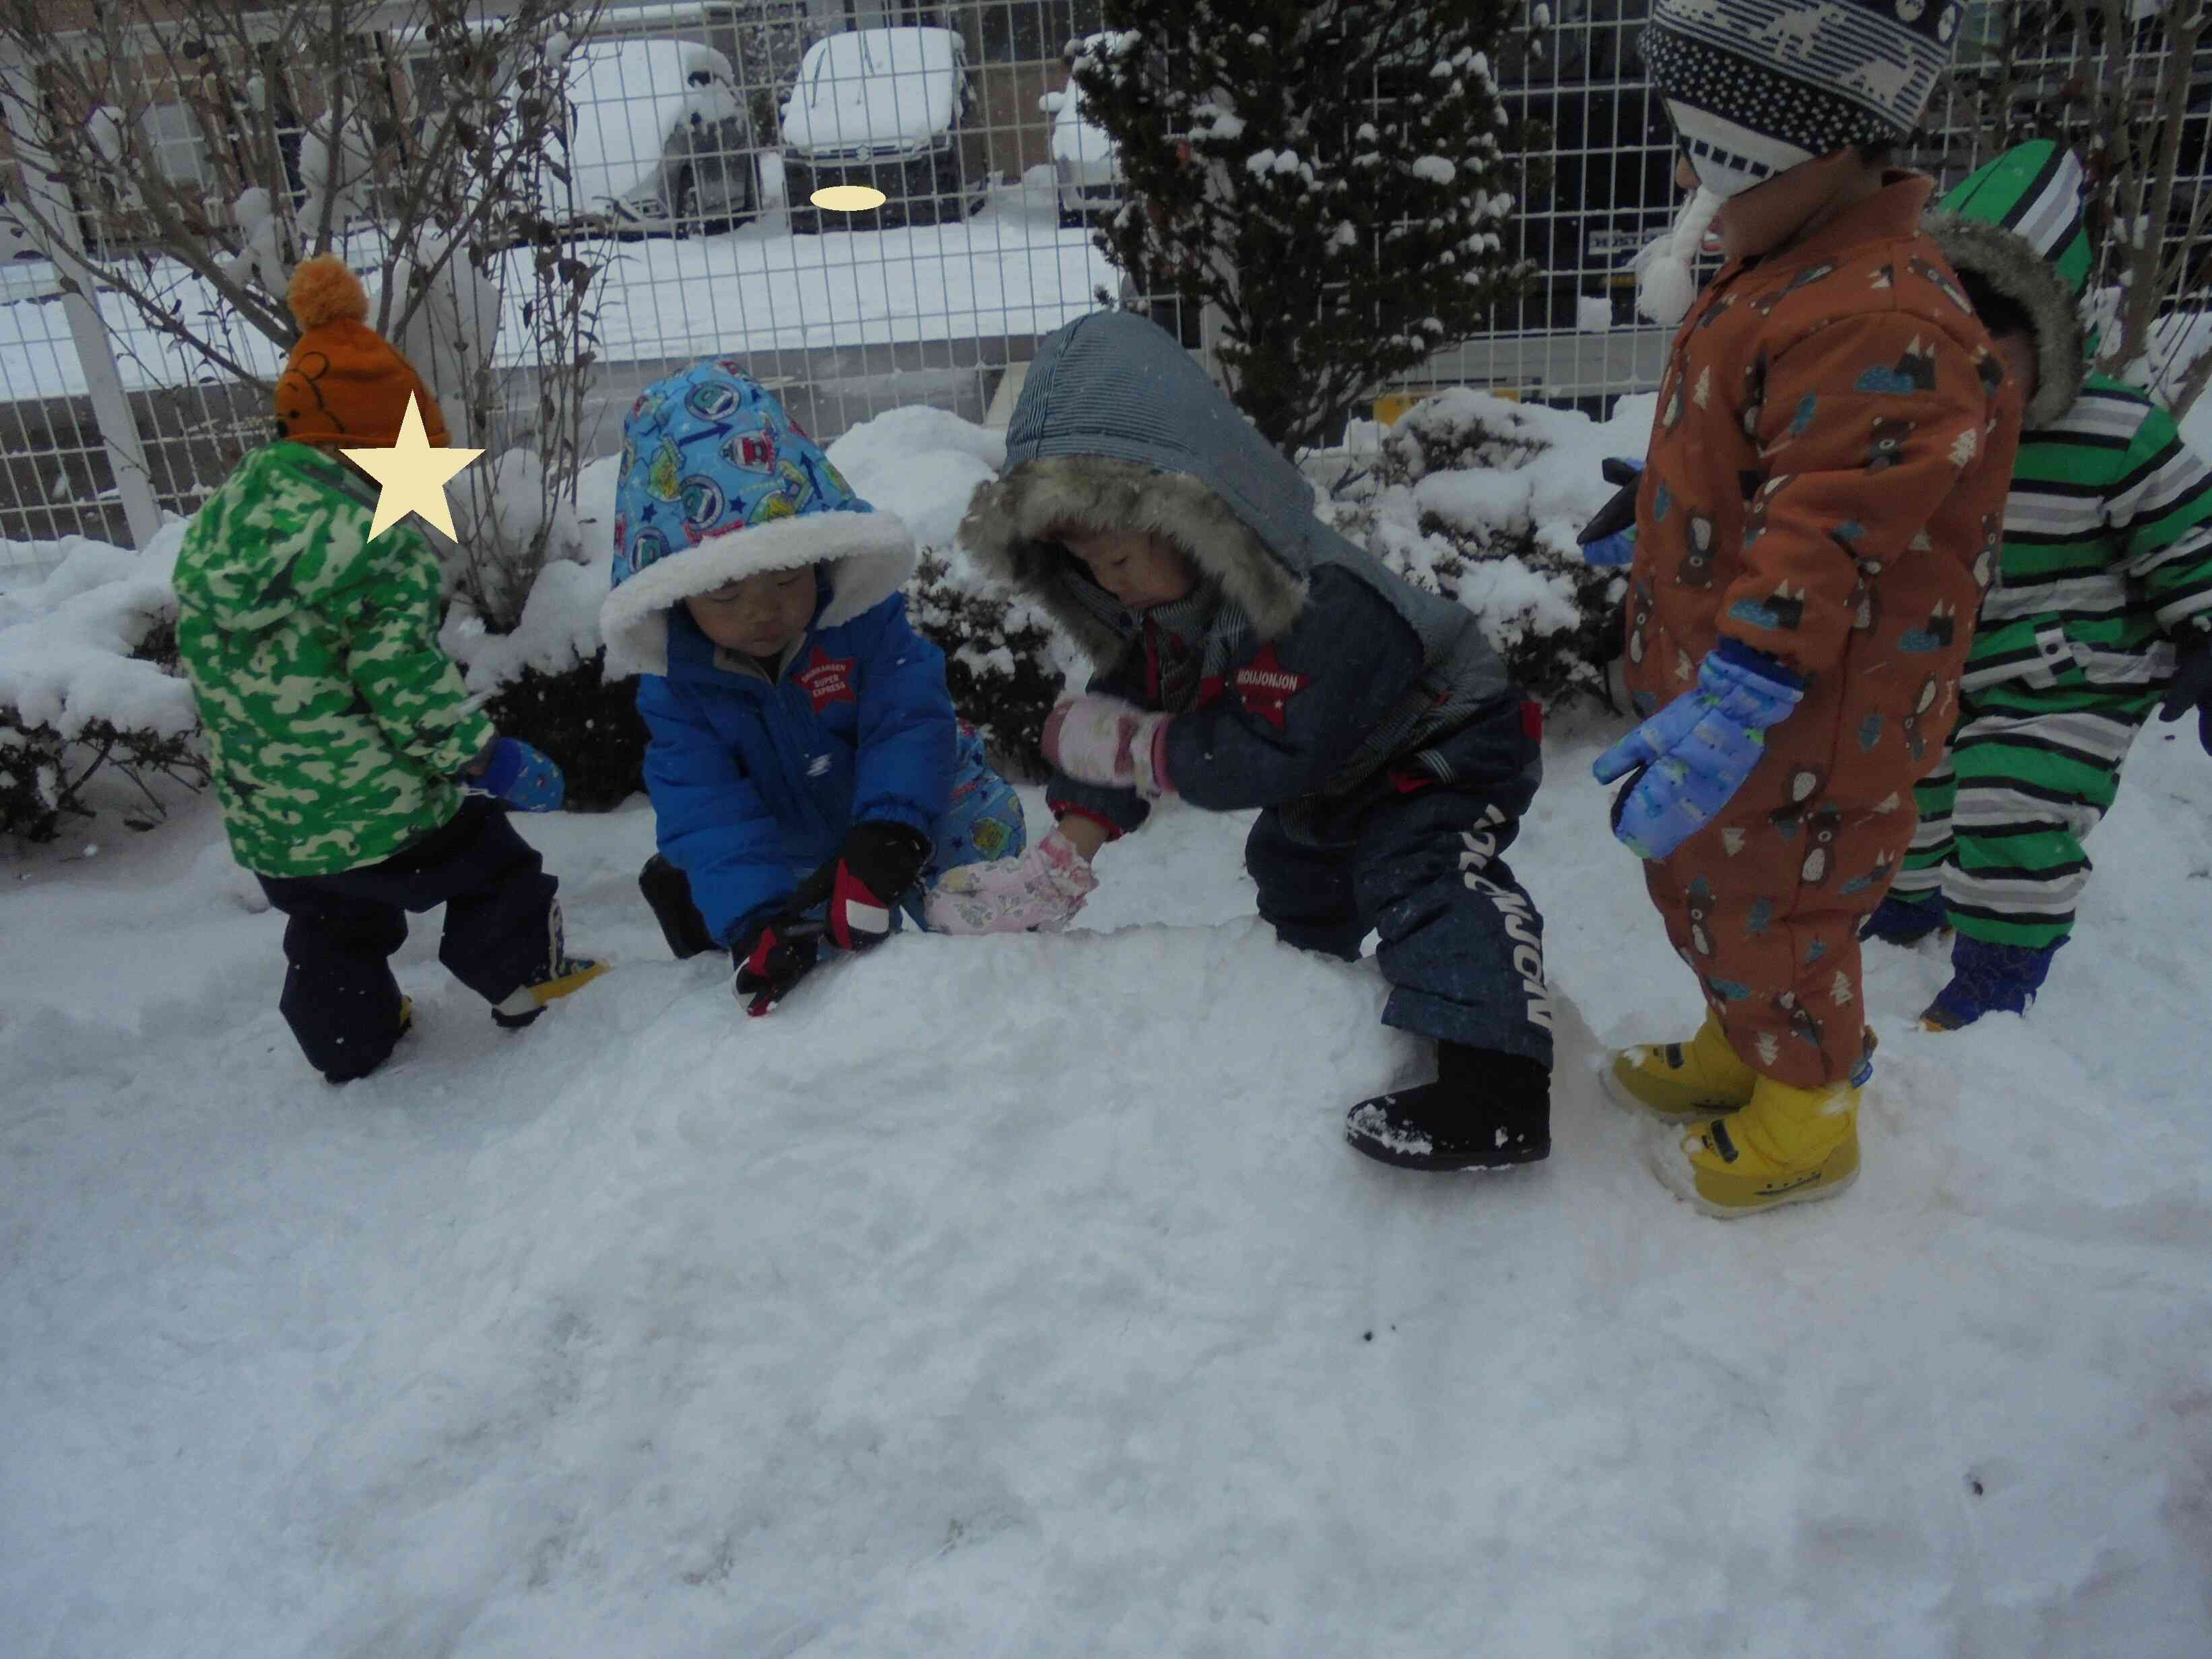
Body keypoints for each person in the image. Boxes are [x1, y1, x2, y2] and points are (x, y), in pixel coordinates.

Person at [936, 309, 1555, 1173]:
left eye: (1117, 561)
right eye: (1087, 571)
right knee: (1293, 867)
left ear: (1188, 509)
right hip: (1342, 766)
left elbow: (1266, 749)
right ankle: (1311, 1001)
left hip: (1442, 743)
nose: (1109, 585)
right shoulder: (1175, 607)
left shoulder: (1314, 596)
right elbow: (1134, 715)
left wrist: (1143, 751)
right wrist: (1066, 851)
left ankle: (1496, 1087)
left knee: (1419, 869)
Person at [1597, 0, 2023, 1215]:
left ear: (1812, 149)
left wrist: (1740, 688)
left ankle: (1808, 1105)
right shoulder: (1789, 271)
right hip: (1741, 686)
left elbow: (1830, 520)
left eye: (1712, 156)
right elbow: (1767, 465)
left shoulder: (1878, 314)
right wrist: (1658, 519)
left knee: (1779, 910)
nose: (1690, 180)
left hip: (1810, 714)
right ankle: (1747, 1040)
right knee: (1713, 891)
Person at [172, 255, 602, 1084]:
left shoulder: (220, 536)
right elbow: (405, 685)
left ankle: (350, 1040)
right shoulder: (376, 547)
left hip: (275, 827)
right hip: (376, 811)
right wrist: (485, 759)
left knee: (331, 925)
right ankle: (521, 982)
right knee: (491, 862)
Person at [1860, 140, 2212, 1026]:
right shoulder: (1910, 431)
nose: (1968, 379)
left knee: (2007, 799)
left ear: (2049, 343)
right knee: (1901, 779)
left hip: (2078, 670)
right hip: (1949, 659)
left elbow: (2192, 538)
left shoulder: (2114, 434)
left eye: (1995, 356)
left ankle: (1999, 970)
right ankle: (1911, 899)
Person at [599, 362, 1026, 1016]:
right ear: (678, 593)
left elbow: (909, 720)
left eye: (783, 580)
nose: (761, 612)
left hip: (910, 800)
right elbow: (707, 808)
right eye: (725, 592)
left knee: (976, 836)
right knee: (777, 918)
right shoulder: (678, 695)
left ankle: (1000, 971)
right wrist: (756, 921)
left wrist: (891, 831)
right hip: (791, 840)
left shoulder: (860, 623)